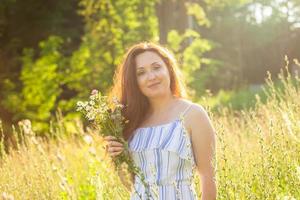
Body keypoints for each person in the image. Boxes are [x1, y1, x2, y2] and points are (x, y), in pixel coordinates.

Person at [104, 42, 217, 200]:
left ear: (169, 69)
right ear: (134, 81)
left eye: (156, 68)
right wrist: (117, 157)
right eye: (141, 73)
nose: (151, 77)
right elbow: (132, 185)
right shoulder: (130, 122)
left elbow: (209, 178)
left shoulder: (193, 114)